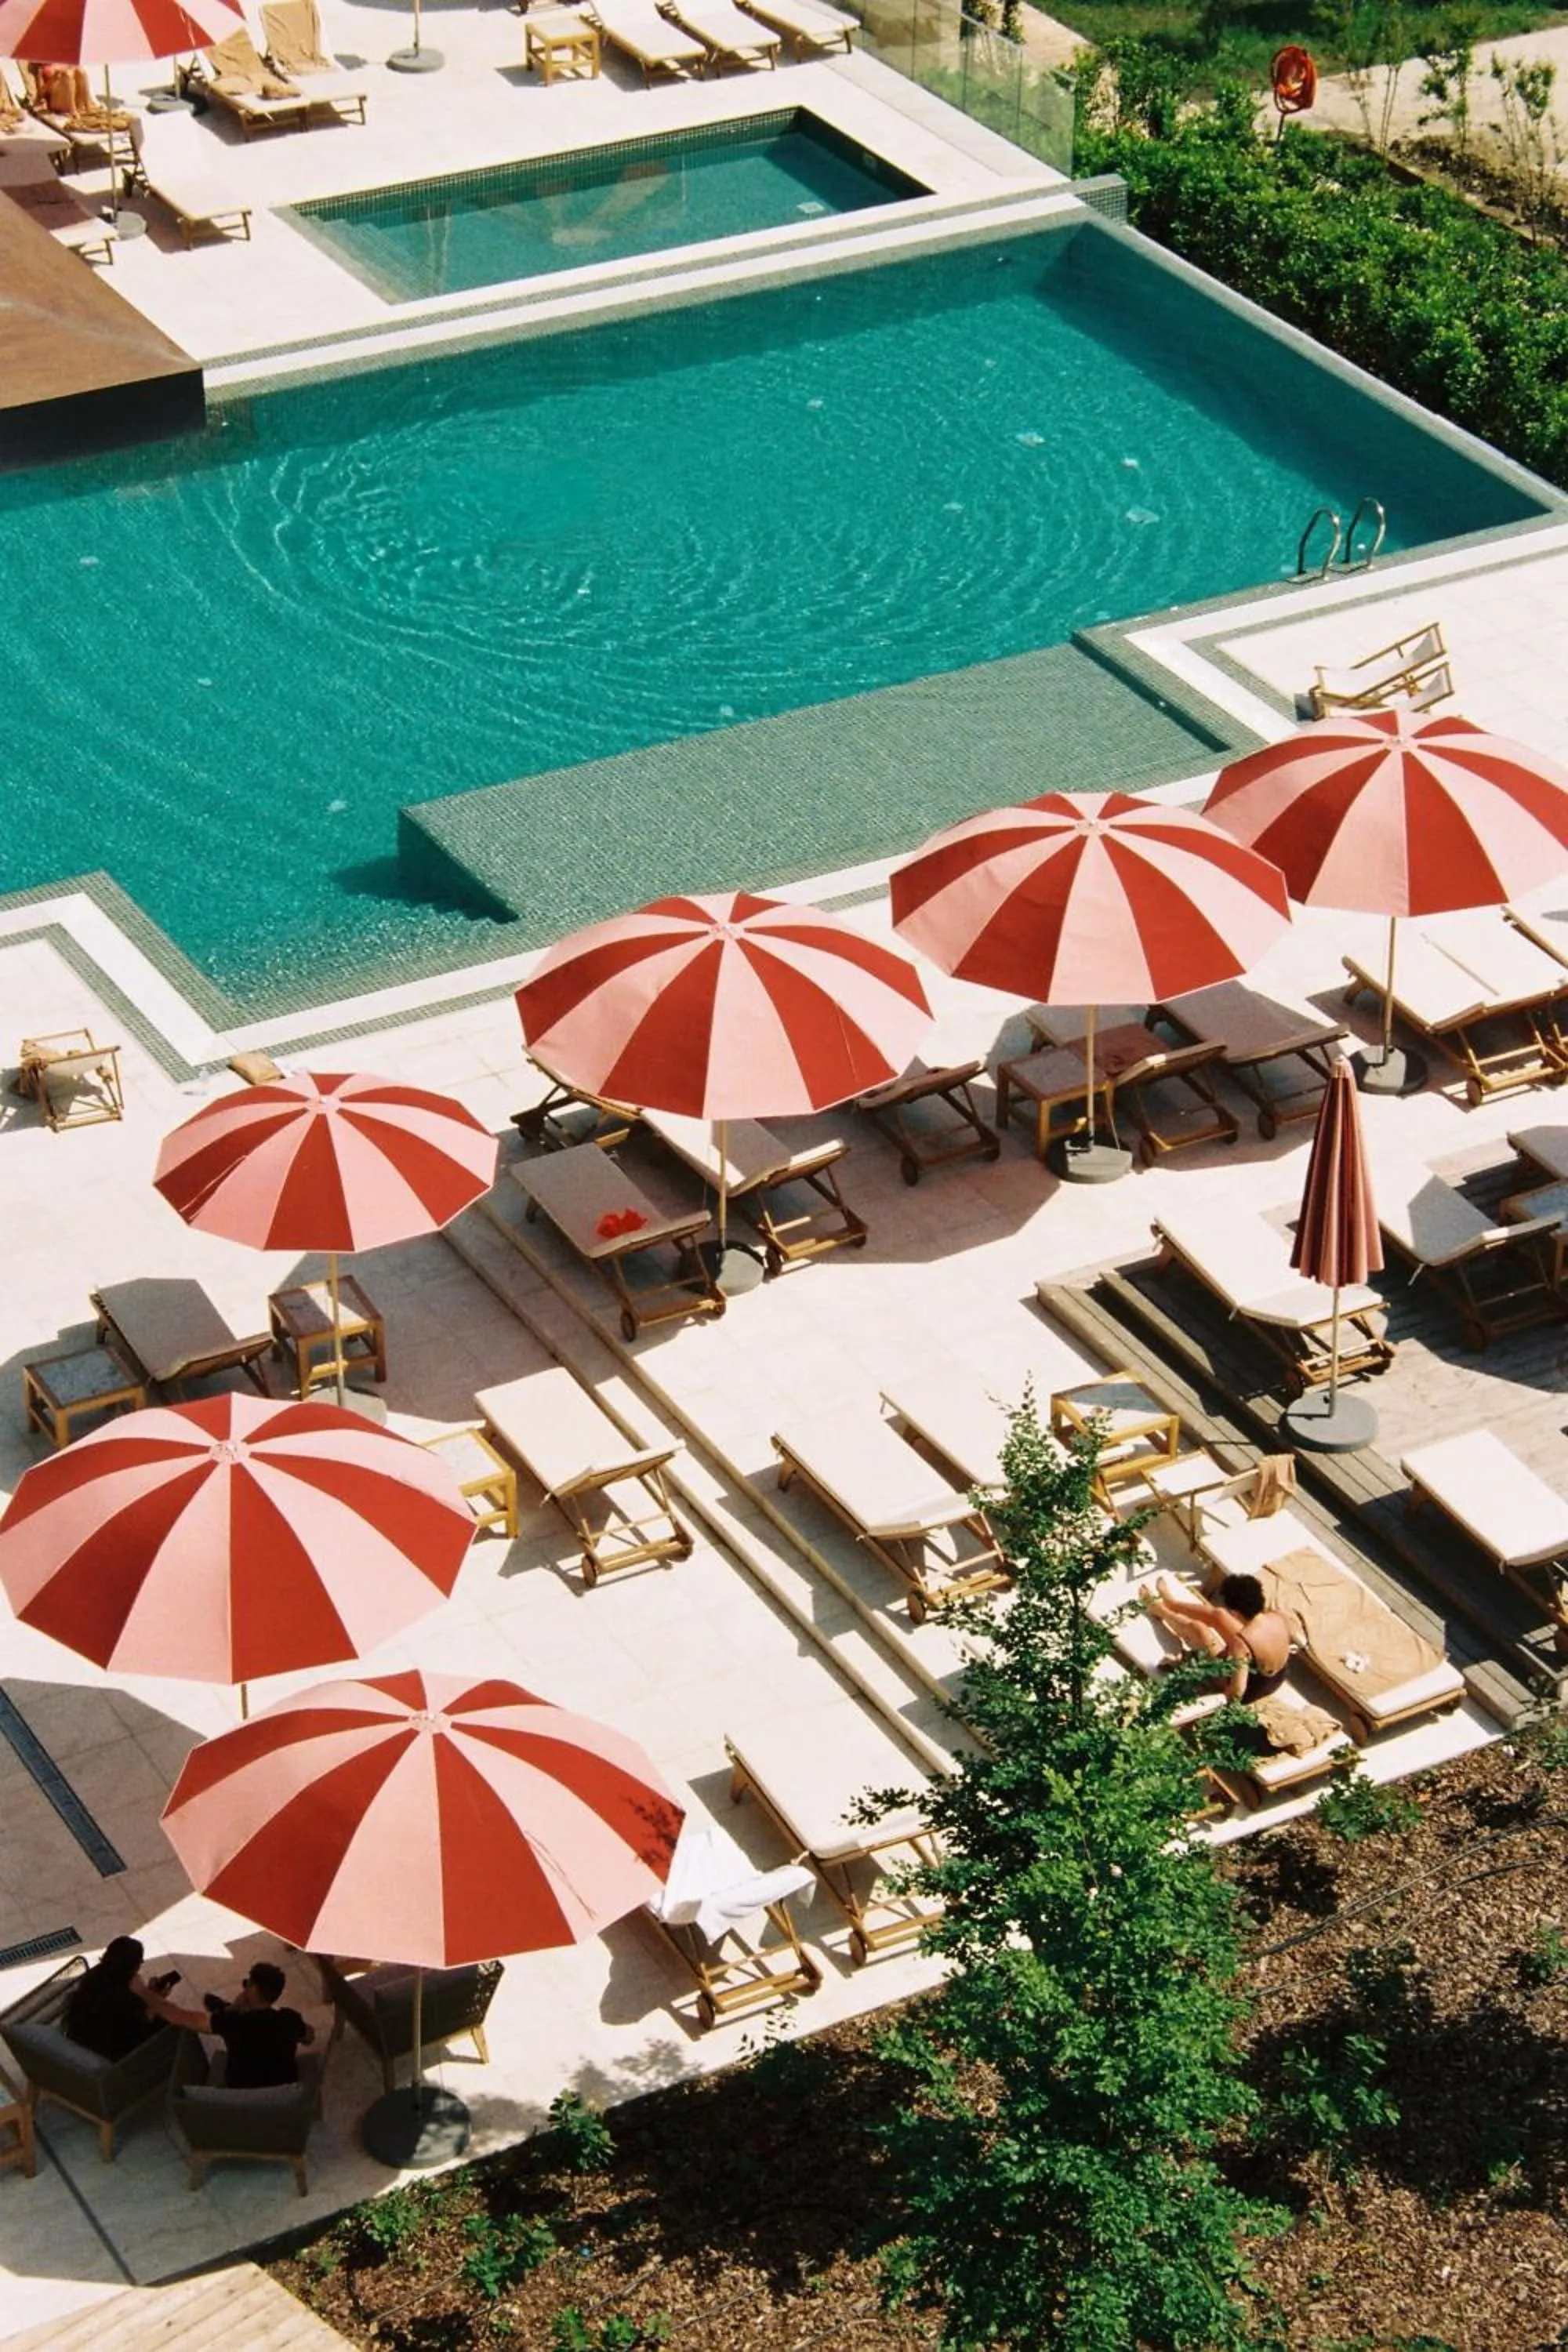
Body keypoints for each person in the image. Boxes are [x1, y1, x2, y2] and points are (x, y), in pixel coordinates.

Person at [141, 1961, 314, 2089]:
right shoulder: (289, 2019)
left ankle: (222, 2009)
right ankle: (223, 2007)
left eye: (247, 1983)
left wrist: (145, 1993)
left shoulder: (234, 2024)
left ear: (253, 1989)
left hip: (240, 2092)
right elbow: (309, 2037)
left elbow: (180, 2017)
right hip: (282, 2094)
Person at [1147, 1571, 1293, 1703]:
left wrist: (1211, 1686)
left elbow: (1237, 1692)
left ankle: (1161, 1611)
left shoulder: (1241, 1644)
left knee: (1200, 1630)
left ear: (1235, 1612)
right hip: (1272, 1675)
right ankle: (1172, 1604)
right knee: (1219, 1616)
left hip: (1252, 1687)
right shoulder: (1277, 1616)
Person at [62, 1937, 180, 2063]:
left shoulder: (96, 1975)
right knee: (168, 2025)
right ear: (134, 1966)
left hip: (80, 2037)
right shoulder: (127, 1991)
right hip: (110, 2052)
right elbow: (140, 2022)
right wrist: (156, 1998)